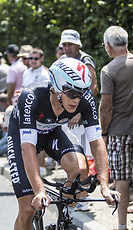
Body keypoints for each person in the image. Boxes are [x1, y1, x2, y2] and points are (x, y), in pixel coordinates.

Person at [7, 57, 120, 230]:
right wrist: (38, 191)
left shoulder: (85, 99)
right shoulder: (30, 96)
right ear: (57, 87)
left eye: (81, 93)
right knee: (27, 208)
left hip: (51, 132)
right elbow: (27, 148)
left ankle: (64, 214)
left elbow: (97, 143)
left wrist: (104, 186)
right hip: (22, 138)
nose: (77, 99)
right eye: (72, 93)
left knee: (80, 168)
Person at [59, 29, 99, 211]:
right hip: (66, 118)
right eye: (64, 44)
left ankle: (82, 197)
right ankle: (77, 195)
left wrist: (79, 113)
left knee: (82, 155)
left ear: (78, 45)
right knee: (72, 155)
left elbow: (93, 88)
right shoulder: (62, 61)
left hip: (80, 117)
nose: (67, 48)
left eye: (70, 44)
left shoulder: (85, 60)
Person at [99, 26, 133, 230]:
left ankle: (122, 226)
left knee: (122, 179)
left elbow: (106, 106)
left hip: (119, 132)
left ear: (108, 46)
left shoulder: (108, 70)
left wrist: (103, 132)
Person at [22, 47, 50, 177]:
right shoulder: (26, 72)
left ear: (41, 59)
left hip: (41, 109)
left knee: (39, 138)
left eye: (36, 58)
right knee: (27, 139)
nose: (33, 61)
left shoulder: (44, 73)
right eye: (30, 58)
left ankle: (42, 167)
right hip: (27, 108)